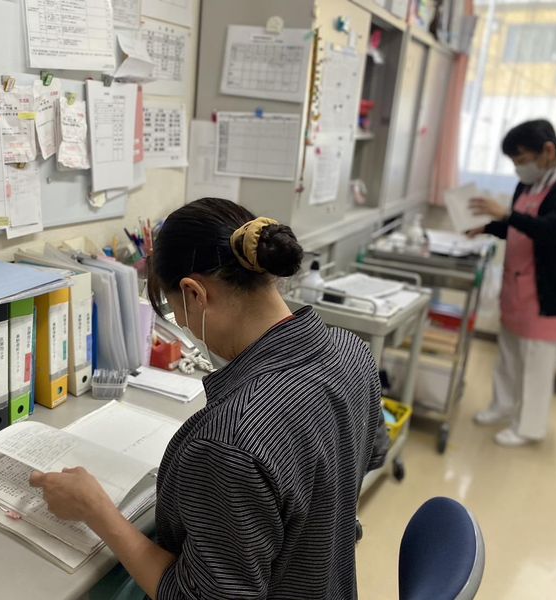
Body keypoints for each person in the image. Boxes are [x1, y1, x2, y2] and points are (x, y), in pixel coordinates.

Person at [29, 198, 387, 599]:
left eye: (176, 311)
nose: (184, 327)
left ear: (195, 293)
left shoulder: (228, 439)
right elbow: (368, 456)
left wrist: (97, 511)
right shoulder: (351, 351)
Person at [469, 119, 556, 447]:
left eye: (521, 160)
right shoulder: (529, 184)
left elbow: (553, 230)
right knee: (508, 353)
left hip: (547, 291)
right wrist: (487, 227)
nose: (519, 169)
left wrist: (505, 216)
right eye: (515, 163)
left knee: (535, 362)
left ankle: (529, 426)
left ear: (548, 150)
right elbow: (518, 226)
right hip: (517, 286)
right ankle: (501, 406)